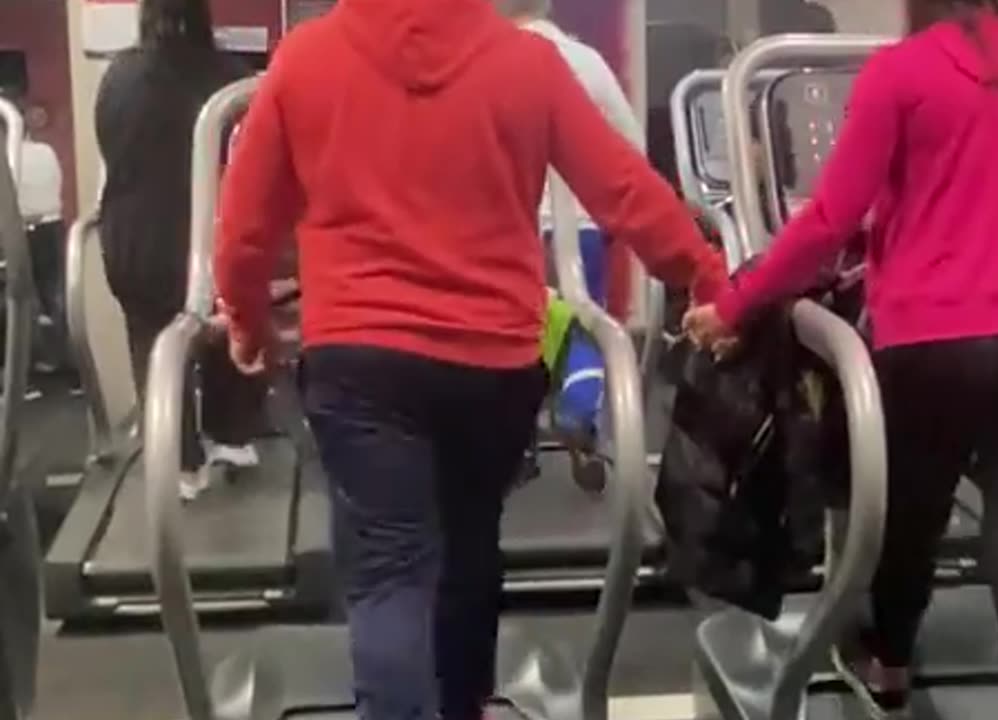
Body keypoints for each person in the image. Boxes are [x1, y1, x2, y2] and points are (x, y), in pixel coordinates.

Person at [212, 0, 728, 718]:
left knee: (390, 575)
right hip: (494, 362)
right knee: (469, 550)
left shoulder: (306, 59)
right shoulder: (527, 64)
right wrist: (707, 275)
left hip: (361, 361)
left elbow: (243, 228)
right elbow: (624, 190)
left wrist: (247, 322)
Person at [683, 1, 998, 718]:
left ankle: (889, 662)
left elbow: (831, 219)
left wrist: (738, 302)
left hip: (932, 347)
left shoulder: (900, 72)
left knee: (911, 524)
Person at [96, 0, 264, 501]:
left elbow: (111, 148)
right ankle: (230, 437)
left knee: (153, 344)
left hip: (135, 236)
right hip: (208, 232)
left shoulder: (119, 76)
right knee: (226, 330)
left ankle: (179, 463)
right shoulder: (233, 76)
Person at [494, 0, 643, 452]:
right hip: (578, 226)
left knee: (517, 329)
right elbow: (630, 148)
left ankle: (514, 437)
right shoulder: (586, 62)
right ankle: (578, 410)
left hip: (508, 228)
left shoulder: (484, 62)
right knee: (583, 323)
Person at [9, 101, 70, 378]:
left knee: (25, 299)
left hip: (23, 230)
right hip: (53, 225)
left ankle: (29, 367)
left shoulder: (8, 158)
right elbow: (56, 183)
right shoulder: (46, 151)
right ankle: (69, 365)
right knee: (57, 297)